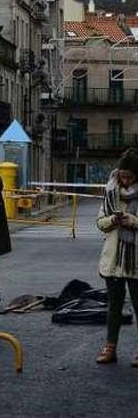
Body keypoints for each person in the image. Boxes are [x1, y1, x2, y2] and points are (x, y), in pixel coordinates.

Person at [95, 148, 138, 366]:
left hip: (135, 260)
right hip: (113, 259)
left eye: (129, 176)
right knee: (114, 305)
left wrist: (134, 221)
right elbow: (100, 222)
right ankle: (110, 348)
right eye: (122, 175)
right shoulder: (110, 191)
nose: (125, 180)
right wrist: (113, 219)